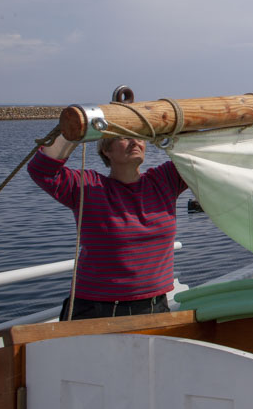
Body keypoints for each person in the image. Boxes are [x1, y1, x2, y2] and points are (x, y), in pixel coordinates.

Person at [28, 133, 187, 320]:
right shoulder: (88, 187)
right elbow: (41, 170)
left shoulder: (164, 180)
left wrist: (165, 122)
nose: (135, 142)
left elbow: (199, 153)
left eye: (140, 137)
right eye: (124, 137)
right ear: (106, 150)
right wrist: (76, 130)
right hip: (95, 310)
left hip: (153, 306)